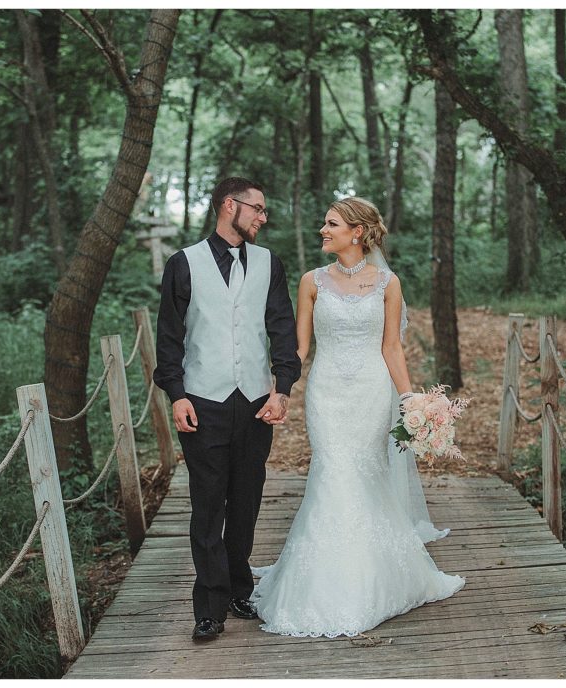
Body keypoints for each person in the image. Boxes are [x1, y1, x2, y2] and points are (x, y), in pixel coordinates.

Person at [250, 196, 465, 638]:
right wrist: (279, 390)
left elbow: (391, 347)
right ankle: (322, 582)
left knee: (363, 474)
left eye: (331, 224)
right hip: (327, 392)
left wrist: (411, 402)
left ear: (358, 232)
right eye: (324, 224)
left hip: (370, 392)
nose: (323, 231)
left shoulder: (388, 283)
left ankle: (375, 579)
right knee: (332, 470)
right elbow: (299, 349)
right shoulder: (312, 281)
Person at [154, 177, 301, 642]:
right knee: (207, 505)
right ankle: (210, 607)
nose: (262, 218)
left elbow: (282, 327)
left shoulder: (268, 263)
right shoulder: (183, 264)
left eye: (263, 211)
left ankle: (240, 590)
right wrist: (176, 394)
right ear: (228, 206)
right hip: (202, 402)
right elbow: (169, 337)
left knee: (246, 500)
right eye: (257, 209)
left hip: (256, 400)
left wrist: (283, 389)